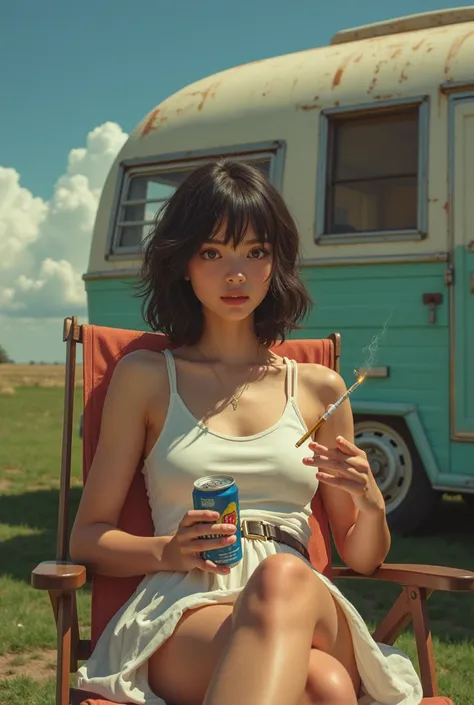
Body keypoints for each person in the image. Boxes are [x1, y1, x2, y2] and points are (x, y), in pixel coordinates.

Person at [70, 160, 422, 705]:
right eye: (213, 252)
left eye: (255, 252)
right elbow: (88, 538)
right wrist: (169, 550)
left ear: (275, 263)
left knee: (285, 577)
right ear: (184, 263)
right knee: (324, 686)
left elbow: (365, 558)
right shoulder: (145, 379)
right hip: (188, 606)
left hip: (305, 598)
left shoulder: (319, 390)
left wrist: (369, 500)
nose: (236, 274)